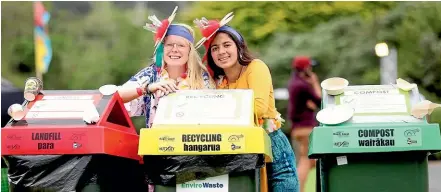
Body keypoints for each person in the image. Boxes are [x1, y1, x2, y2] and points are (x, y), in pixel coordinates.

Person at [194, 13, 299, 192]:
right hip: (239, 146)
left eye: (227, 45)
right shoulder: (219, 83)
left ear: (239, 46)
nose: (221, 52)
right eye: (215, 48)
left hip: (270, 142)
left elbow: (258, 108)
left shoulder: (255, 67)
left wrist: (221, 111)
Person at [117, 7, 214, 192]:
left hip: (196, 157)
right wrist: (146, 89)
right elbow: (116, 97)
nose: (175, 50)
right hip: (158, 158)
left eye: (181, 45)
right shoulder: (151, 74)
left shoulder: (202, 79)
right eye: (169, 44)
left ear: (190, 50)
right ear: (162, 47)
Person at [287, 56, 322, 192]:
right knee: (306, 161)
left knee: (311, 161)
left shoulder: (294, 83)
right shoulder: (304, 85)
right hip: (306, 128)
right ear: (306, 68)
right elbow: (321, 102)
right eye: (310, 67)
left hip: (297, 128)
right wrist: (314, 82)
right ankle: (299, 189)